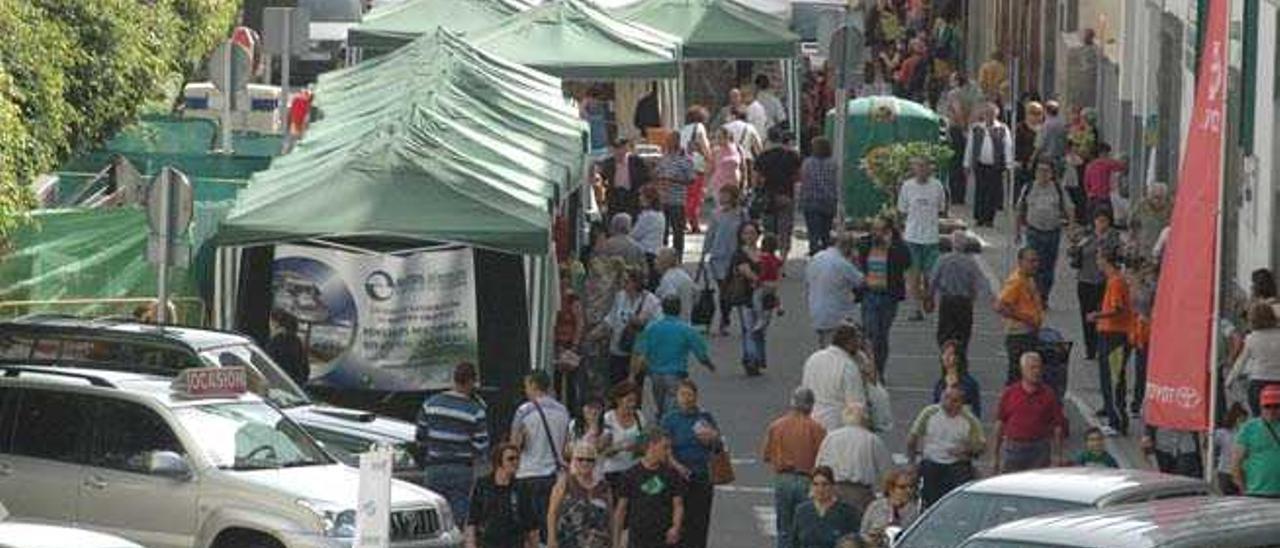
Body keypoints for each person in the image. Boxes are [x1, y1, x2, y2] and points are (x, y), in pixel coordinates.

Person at [417, 362, 490, 527]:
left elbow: (420, 437)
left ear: (454, 379)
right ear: (471, 382)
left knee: (434, 518)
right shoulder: (475, 409)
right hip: (461, 470)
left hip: (434, 468)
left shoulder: (430, 404)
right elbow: (481, 445)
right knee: (458, 520)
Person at [762, 387, 828, 548]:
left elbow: (766, 455)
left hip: (783, 479)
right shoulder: (817, 429)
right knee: (806, 526)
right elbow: (824, 459)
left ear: (792, 403)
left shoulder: (776, 426)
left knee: (784, 527)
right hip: (807, 480)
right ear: (811, 405)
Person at [510, 371, 571, 543]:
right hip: (554, 476)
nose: (525, 390)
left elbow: (514, 444)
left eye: (526, 386)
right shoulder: (563, 410)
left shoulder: (524, 410)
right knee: (550, 526)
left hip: (528, 474)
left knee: (529, 529)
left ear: (533, 385)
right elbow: (566, 445)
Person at [661, 380, 722, 548]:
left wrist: (713, 438)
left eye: (690, 395)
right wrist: (677, 466)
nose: (687, 399)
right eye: (683, 395)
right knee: (676, 517)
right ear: (677, 397)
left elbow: (718, 446)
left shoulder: (705, 417)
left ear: (696, 396)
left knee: (699, 519)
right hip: (677, 476)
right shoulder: (670, 419)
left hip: (702, 475)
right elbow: (665, 449)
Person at [634, 296, 715, 418]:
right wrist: (709, 365)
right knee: (671, 409)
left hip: (655, 374)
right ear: (679, 309)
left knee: (661, 406)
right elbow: (701, 353)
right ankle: (666, 430)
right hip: (675, 374)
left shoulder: (652, 328)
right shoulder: (686, 329)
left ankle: (662, 425)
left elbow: (639, 351)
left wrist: (636, 372)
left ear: (663, 309)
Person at [907, 387, 985, 507]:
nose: (949, 403)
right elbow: (912, 438)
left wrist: (966, 449)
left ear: (961, 403)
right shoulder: (929, 413)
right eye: (946, 398)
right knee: (927, 477)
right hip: (931, 461)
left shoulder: (969, 420)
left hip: (956, 463)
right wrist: (911, 463)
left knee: (961, 479)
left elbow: (981, 446)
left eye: (954, 400)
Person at [856, 217, 912, 378]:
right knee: (869, 333)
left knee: (882, 335)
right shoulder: (867, 243)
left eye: (880, 230)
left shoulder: (897, 247)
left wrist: (891, 247)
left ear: (888, 231)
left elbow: (907, 262)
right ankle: (868, 369)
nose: (876, 233)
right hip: (870, 294)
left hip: (889, 296)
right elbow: (859, 251)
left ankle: (879, 369)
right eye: (874, 229)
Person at [992, 352, 1067, 473]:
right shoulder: (1010, 393)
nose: (1037, 371)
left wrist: (1058, 455)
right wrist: (995, 457)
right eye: (1032, 367)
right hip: (1014, 449)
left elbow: (1058, 426)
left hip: (1039, 450)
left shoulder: (1049, 394)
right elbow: (999, 424)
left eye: (1039, 367)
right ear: (1022, 370)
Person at [815, 404, 893, 518]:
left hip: (834, 490)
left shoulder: (831, 438)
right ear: (864, 419)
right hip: (860, 494)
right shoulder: (872, 440)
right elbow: (887, 472)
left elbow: (819, 466)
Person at [614, 426, 686, 548]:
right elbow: (621, 510)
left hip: (663, 539)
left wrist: (675, 527)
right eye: (665, 447)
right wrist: (616, 542)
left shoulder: (672, 475)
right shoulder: (630, 475)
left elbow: (678, 505)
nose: (668, 452)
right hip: (638, 539)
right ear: (652, 445)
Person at [897, 156, 947, 321]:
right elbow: (902, 210)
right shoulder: (907, 186)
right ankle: (915, 308)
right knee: (913, 275)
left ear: (929, 169)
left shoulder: (937, 186)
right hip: (912, 237)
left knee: (930, 275)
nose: (921, 171)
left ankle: (928, 296)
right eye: (918, 168)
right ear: (914, 170)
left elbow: (941, 208)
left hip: (931, 237)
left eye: (924, 167)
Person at [1088, 249, 1132, 435]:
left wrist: (1097, 315)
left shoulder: (1115, 282)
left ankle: (1117, 421)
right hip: (1111, 334)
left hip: (1115, 335)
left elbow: (1117, 309)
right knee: (1111, 376)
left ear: (1105, 260)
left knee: (1112, 378)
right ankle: (1112, 413)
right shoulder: (1115, 281)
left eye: (1099, 258)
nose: (1097, 262)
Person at [1016, 159, 1073, 302]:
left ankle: (1044, 295)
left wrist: (1071, 228)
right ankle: (1033, 295)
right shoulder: (1028, 187)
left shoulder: (1058, 189)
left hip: (1052, 233)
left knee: (1048, 267)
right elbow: (1019, 209)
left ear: (1052, 173)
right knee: (1032, 265)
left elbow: (1070, 208)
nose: (1043, 174)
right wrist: (1017, 231)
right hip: (1033, 232)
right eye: (1040, 170)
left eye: (1046, 171)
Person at [1068, 209, 1121, 360]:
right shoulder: (1086, 236)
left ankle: (1102, 346)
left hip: (1105, 281)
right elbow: (1073, 253)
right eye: (1099, 220)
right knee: (1087, 315)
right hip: (1085, 280)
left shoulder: (1113, 237)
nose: (1101, 224)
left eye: (1105, 221)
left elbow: (1118, 255)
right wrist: (1074, 246)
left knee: (1103, 314)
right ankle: (1090, 349)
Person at [467, 443, 540, 548]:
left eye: (518, 459)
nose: (516, 462)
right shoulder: (482, 485)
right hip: (488, 542)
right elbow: (472, 520)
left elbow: (531, 524)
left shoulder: (521, 488)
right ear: (498, 462)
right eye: (511, 459)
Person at [601, 268, 661, 389]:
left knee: (634, 390)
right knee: (616, 387)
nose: (623, 284)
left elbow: (658, 326)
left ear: (635, 283)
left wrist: (642, 323)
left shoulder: (651, 301)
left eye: (626, 281)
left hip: (637, 354)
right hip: (617, 350)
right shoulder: (620, 296)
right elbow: (611, 318)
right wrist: (596, 333)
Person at [803, 325, 871, 432]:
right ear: (849, 343)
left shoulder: (813, 358)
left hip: (811, 422)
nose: (859, 345)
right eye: (857, 341)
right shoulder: (848, 366)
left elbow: (805, 392)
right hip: (836, 426)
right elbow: (856, 406)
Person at [547, 442, 614, 548]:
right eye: (580, 459)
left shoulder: (604, 487)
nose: (585, 463)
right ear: (574, 460)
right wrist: (551, 539)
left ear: (595, 462)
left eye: (589, 459)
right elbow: (552, 513)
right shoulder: (564, 483)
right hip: (569, 541)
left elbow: (610, 516)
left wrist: (613, 541)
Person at [703, 185, 749, 336]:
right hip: (718, 258)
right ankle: (725, 319)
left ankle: (729, 319)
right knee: (723, 290)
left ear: (732, 196)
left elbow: (748, 233)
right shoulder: (715, 214)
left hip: (735, 257)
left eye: (725, 194)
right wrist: (704, 253)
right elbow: (710, 234)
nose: (721, 197)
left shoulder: (742, 214)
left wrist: (749, 251)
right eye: (720, 194)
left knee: (731, 290)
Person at [929, 232, 983, 360]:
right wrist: (972, 300)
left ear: (952, 243)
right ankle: (961, 360)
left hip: (947, 301)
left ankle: (947, 359)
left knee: (945, 334)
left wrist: (929, 298)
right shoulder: (971, 262)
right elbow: (976, 285)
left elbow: (933, 280)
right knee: (963, 335)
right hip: (964, 302)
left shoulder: (942, 259)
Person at [807, 233, 867, 346]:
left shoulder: (816, 257)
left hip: (816, 310)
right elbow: (862, 282)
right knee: (836, 351)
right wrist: (856, 261)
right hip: (837, 315)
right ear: (848, 248)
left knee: (824, 347)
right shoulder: (843, 264)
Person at [995, 247, 1044, 384]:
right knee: (1018, 376)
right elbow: (1000, 305)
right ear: (1021, 262)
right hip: (1019, 335)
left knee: (1026, 377)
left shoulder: (1028, 279)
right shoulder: (1016, 281)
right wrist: (1025, 318)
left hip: (1029, 333)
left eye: (1036, 261)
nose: (1035, 264)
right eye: (1031, 261)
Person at [963, 103, 1015, 227]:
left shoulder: (1002, 128)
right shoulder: (976, 128)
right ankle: (979, 217)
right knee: (980, 191)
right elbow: (970, 147)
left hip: (995, 166)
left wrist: (1008, 164)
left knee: (992, 192)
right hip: (980, 164)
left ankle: (989, 219)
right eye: (987, 113)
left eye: (991, 113)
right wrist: (966, 163)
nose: (989, 116)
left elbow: (1008, 147)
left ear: (996, 115)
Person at [755, 131, 803, 258]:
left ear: (769, 140)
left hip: (768, 195)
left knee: (768, 229)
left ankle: (769, 258)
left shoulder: (763, 156)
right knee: (785, 229)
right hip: (786, 195)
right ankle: (783, 258)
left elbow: (757, 178)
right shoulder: (792, 155)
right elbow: (798, 176)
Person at [790, 466, 862, 548]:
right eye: (815, 484)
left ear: (833, 486)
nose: (820, 489)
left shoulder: (847, 512)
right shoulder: (801, 511)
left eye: (825, 484)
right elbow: (795, 542)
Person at [1228, 302, 1280, 415]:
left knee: (1259, 420)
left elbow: (1241, 362)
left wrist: (1230, 380)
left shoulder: (1251, 338)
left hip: (1258, 383)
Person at [730, 221, 767, 373]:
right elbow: (745, 270)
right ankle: (752, 360)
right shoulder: (740, 253)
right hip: (745, 296)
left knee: (760, 330)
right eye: (746, 233)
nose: (749, 236)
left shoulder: (763, 253)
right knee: (749, 329)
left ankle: (756, 358)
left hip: (763, 298)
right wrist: (760, 281)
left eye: (752, 233)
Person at [1232, 384, 1280, 498]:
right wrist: (1244, 491)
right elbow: (1236, 464)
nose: (1272, 410)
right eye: (1267, 406)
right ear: (1261, 406)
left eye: (1276, 406)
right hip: (1256, 493)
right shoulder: (1249, 428)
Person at [654, 133, 695, 258]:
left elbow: (691, 180)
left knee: (678, 232)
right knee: (663, 231)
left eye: (671, 141)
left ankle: (678, 257)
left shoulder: (686, 159)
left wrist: (673, 181)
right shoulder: (664, 158)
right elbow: (657, 173)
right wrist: (658, 178)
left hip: (677, 201)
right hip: (663, 199)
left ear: (677, 142)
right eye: (667, 140)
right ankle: (664, 257)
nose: (668, 143)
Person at [859, 468, 921, 548]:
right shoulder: (876, 506)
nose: (908, 490)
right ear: (891, 488)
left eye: (911, 487)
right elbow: (863, 533)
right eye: (902, 487)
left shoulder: (917, 511)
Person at [600, 381, 645, 490]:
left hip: (634, 470)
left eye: (634, 401)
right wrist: (621, 448)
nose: (632, 404)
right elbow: (603, 450)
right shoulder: (608, 418)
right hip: (612, 471)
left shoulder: (639, 416)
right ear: (618, 400)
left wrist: (638, 447)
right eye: (629, 400)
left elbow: (643, 444)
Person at [800, 137, 839, 255]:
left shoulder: (807, 163)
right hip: (828, 201)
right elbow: (835, 182)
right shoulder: (833, 163)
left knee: (813, 232)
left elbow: (804, 181)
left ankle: (814, 253)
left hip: (811, 201)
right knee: (825, 231)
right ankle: (826, 253)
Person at [681, 106, 713, 234]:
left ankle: (685, 221)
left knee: (688, 195)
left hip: (684, 164)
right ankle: (693, 222)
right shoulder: (699, 127)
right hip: (696, 165)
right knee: (696, 195)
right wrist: (710, 158)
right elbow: (703, 145)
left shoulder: (683, 129)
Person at [930, 340, 982, 418]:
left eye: (950, 354)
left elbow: (975, 410)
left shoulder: (969, 383)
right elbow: (934, 409)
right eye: (944, 354)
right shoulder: (939, 384)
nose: (946, 357)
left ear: (958, 358)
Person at [600, 138, 650, 217]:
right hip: (614, 196)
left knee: (632, 219)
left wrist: (641, 191)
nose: (619, 152)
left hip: (631, 196)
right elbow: (602, 177)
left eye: (621, 149)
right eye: (616, 149)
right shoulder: (608, 163)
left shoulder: (637, 162)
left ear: (626, 149)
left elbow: (646, 178)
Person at [632, 185, 667, 286]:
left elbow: (635, 235)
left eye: (641, 196)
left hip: (646, 252)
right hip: (656, 251)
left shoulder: (647, 216)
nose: (639, 198)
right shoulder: (660, 214)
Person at [596, 213, 650, 278]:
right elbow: (645, 271)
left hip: (609, 282)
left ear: (613, 226)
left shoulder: (606, 245)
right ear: (629, 226)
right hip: (630, 284)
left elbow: (598, 266)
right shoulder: (637, 247)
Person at [1082, 143, 1127, 219]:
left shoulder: (1089, 165)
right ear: (1103, 153)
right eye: (1107, 153)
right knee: (1107, 219)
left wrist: (1089, 193)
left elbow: (1086, 183)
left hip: (1092, 198)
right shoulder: (1107, 163)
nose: (1108, 155)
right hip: (1103, 197)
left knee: (1093, 221)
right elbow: (1121, 167)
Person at [1129, 182, 1171, 262]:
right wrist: (1134, 241)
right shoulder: (1141, 207)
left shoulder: (1170, 208)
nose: (1158, 200)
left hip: (1164, 250)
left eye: (1161, 197)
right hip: (1144, 248)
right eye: (1156, 197)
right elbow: (1132, 225)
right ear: (1150, 196)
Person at [266, 310, 309, 386]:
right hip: (296, 386)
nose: (269, 326)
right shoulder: (297, 341)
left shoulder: (276, 342)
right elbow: (306, 369)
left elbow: (268, 367)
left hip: (281, 386)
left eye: (270, 322)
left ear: (276, 323)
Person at [1215, 403, 1249, 495]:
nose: (1244, 423)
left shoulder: (1248, 434)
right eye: (1242, 420)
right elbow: (1208, 446)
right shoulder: (1222, 433)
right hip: (1226, 472)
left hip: (1241, 472)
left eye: (1245, 420)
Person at [1014, 100, 1044, 201]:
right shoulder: (1020, 128)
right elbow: (1015, 145)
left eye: (1039, 113)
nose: (1036, 116)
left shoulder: (1044, 128)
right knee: (1021, 187)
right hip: (1023, 162)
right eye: (1033, 113)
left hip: (1039, 163)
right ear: (1027, 114)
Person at [708, 128, 745, 207]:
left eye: (720, 137)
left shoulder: (738, 148)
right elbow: (710, 169)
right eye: (716, 137)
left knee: (734, 209)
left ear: (727, 137)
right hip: (719, 185)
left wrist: (744, 183)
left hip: (734, 184)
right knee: (722, 209)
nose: (717, 140)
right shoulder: (715, 151)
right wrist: (705, 187)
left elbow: (743, 167)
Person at [655, 247, 695, 320]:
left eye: (657, 259)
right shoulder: (683, 274)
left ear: (664, 262)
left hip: (674, 322)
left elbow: (669, 302)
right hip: (686, 319)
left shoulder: (668, 279)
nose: (655, 262)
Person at [756, 233, 785, 326]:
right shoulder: (775, 258)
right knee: (773, 296)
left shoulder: (761, 257)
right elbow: (780, 266)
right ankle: (779, 306)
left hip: (763, 283)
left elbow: (761, 270)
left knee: (758, 299)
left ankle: (760, 317)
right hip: (773, 283)